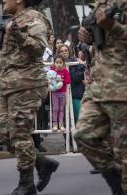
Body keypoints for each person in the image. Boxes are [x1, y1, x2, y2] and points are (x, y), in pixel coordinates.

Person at [0, 0, 59, 195]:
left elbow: (40, 48)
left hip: (27, 83)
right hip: (9, 85)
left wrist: (15, 31)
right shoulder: (11, 19)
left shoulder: (33, 18)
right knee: (1, 130)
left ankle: (27, 184)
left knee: (20, 133)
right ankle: (42, 163)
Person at [74, 1, 127, 195]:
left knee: (124, 154)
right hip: (98, 87)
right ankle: (115, 180)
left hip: (122, 89)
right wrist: (88, 38)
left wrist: (113, 27)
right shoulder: (98, 4)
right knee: (83, 135)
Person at [51, 55, 71, 132]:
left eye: (60, 62)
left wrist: (61, 80)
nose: (58, 64)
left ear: (63, 63)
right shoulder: (52, 71)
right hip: (55, 93)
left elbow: (69, 81)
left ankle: (61, 124)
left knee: (61, 108)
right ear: (54, 63)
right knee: (55, 108)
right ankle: (54, 123)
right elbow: (49, 78)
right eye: (57, 62)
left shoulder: (65, 71)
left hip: (63, 93)